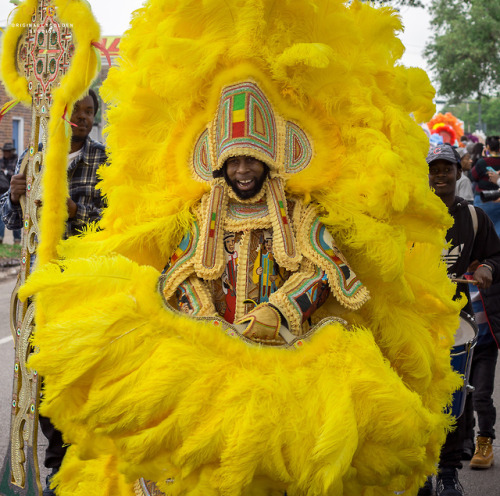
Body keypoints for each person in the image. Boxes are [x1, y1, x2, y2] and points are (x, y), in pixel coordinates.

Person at [0, 90, 107, 496]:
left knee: (76, 379)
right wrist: (13, 195)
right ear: (60, 112)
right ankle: (56, 471)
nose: (80, 117)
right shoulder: (35, 156)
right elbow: (12, 220)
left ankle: (79, 467)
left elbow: (115, 223)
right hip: (37, 290)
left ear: (95, 118)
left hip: (83, 288)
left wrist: (77, 213)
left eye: (88, 111)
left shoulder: (103, 161)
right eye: (74, 109)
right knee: (39, 379)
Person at [419, 143, 500, 496]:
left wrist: (485, 267)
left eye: (446, 169)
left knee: (453, 398)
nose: (440, 175)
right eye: (434, 169)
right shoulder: (412, 217)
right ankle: (419, 473)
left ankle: (448, 472)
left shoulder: (473, 218)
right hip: (413, 321)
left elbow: (496, 255)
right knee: (416, 399)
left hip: (457, 320)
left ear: (458, 173)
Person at [471, 136, 500, 234]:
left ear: (487, 147)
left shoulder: (482, 162)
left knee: (482, 229)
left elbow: (473, 177)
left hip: (483, 199)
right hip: (498, 198)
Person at [0, 142, 20, 243]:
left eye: (7, 151)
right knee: (2, 214)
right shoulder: (1, 161)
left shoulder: (17, 160)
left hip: (14, 191)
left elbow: (17, 175)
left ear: (11, 151)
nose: (5, 153)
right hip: (2, 190)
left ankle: (17, 238)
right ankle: (0, 236)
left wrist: (6, 172)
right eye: (4, 151)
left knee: (16, 213)